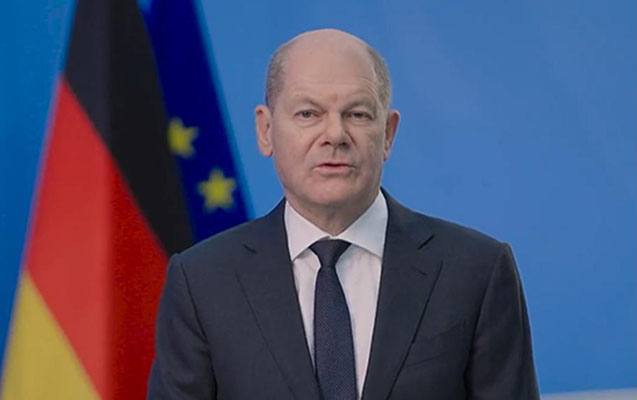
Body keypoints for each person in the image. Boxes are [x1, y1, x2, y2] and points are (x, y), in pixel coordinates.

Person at [147, 28, 540, 399]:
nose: (335, 134)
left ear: (388, 134)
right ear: (265, 130)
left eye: (357, 114)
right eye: (308, 114)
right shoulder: (202, 282)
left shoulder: (476, 271)